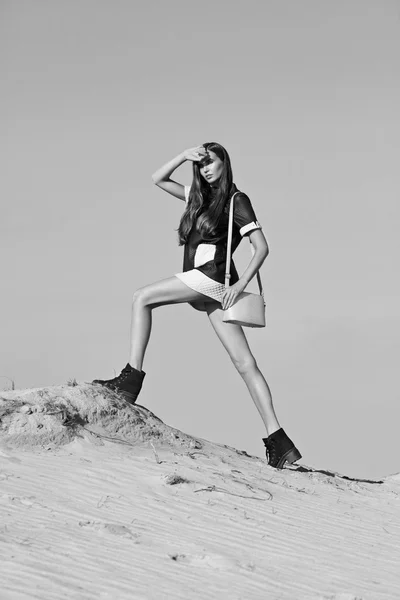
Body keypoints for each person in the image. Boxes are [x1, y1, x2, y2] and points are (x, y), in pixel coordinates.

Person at [93, 142, 301, 469]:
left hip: (211, 278)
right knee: (245, 364)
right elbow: (158, 179)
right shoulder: (199, 197)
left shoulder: (237, 200)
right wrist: (182, 156)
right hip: (207, 284)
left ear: (224, 163)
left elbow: (261, 247)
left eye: (211, 162)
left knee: (141, 298)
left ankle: (130, 380)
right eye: (201, 164)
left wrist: (241, 286)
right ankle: (279, 441)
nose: (205, 168)